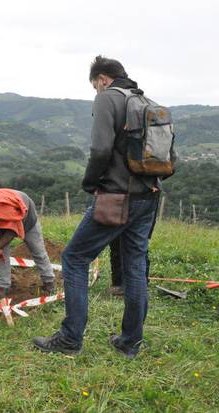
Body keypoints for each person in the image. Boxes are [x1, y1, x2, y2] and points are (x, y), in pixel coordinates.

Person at [32, 55, 170, 358]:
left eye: (95, 85)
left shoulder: (108, 98)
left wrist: (90, 182)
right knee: (134, 265)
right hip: (149, 196)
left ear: (102, 79)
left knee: (75, 257)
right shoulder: (146, 100)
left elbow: (100, 148)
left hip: (117, 197)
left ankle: (70, 339)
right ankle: (129, 342)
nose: (96, 90)